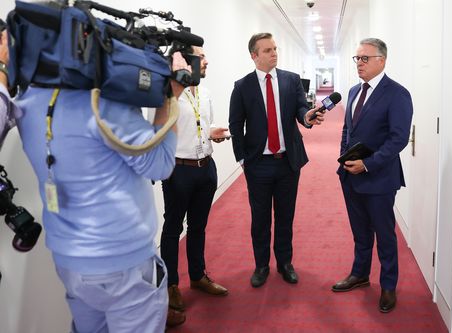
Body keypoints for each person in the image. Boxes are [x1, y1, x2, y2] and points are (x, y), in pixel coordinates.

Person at [13, 38, 190, 331]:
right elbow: (159, 165)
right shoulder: (103, 103)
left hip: (69, 261)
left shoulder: (27, 100)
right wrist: (170, 98)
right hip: (123, 262)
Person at [229, 32, 324, 288]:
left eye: (275, 48)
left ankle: (284, 263)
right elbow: (235, 125)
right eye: (268, 50)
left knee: (285, 215)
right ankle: (261, 265)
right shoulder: (242, 86)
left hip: (287, 162)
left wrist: (308, 117)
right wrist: (242, 160)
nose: (274, 53)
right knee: (260, 218)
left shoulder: (291, 80)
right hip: (258, 163)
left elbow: (301, 109)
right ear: (254, 55)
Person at [332, 38, 413, 313]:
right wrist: (345, 157)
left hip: (379, 178)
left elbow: (398, 139)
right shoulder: (354, 91)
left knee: (384, 234)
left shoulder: (397, 94)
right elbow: (348, 130)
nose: (360, 64)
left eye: (365, 58)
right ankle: (360, 273)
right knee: (360, 231)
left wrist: (367, 164)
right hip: (350, 176)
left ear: (382, 60)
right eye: (357, 59)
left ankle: (388, 285)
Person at [160, 45, 229, 314]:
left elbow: (198, 125)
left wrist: (212, 132)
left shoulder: (206, 91)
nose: (207, 61)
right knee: (172, 228)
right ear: (185, 61)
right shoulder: (169, 93)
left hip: (205, 168)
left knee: (198, 226)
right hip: (179, 170)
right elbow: (160, 131)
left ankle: (198, 276)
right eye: (202, 57)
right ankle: (171, 286)